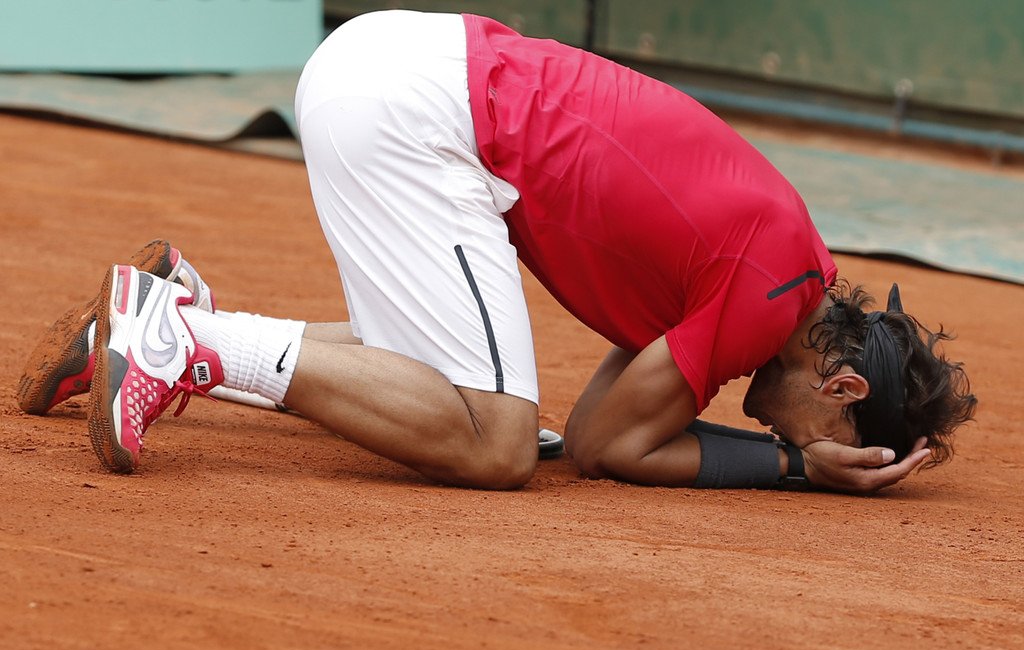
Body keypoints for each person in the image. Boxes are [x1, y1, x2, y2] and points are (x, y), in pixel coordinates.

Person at [21, 10, 976, 492]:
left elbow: (601, 421)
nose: (797, 437)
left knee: (438, 387)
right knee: (496, 439)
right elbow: (605, 446)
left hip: (398, 71)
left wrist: (797, 454)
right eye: (825, 432)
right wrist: (795, 470)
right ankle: (182, 344)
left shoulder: (782, 264)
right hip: (422, 117)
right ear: (843, 387)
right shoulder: (768, 293)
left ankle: (177, 314)